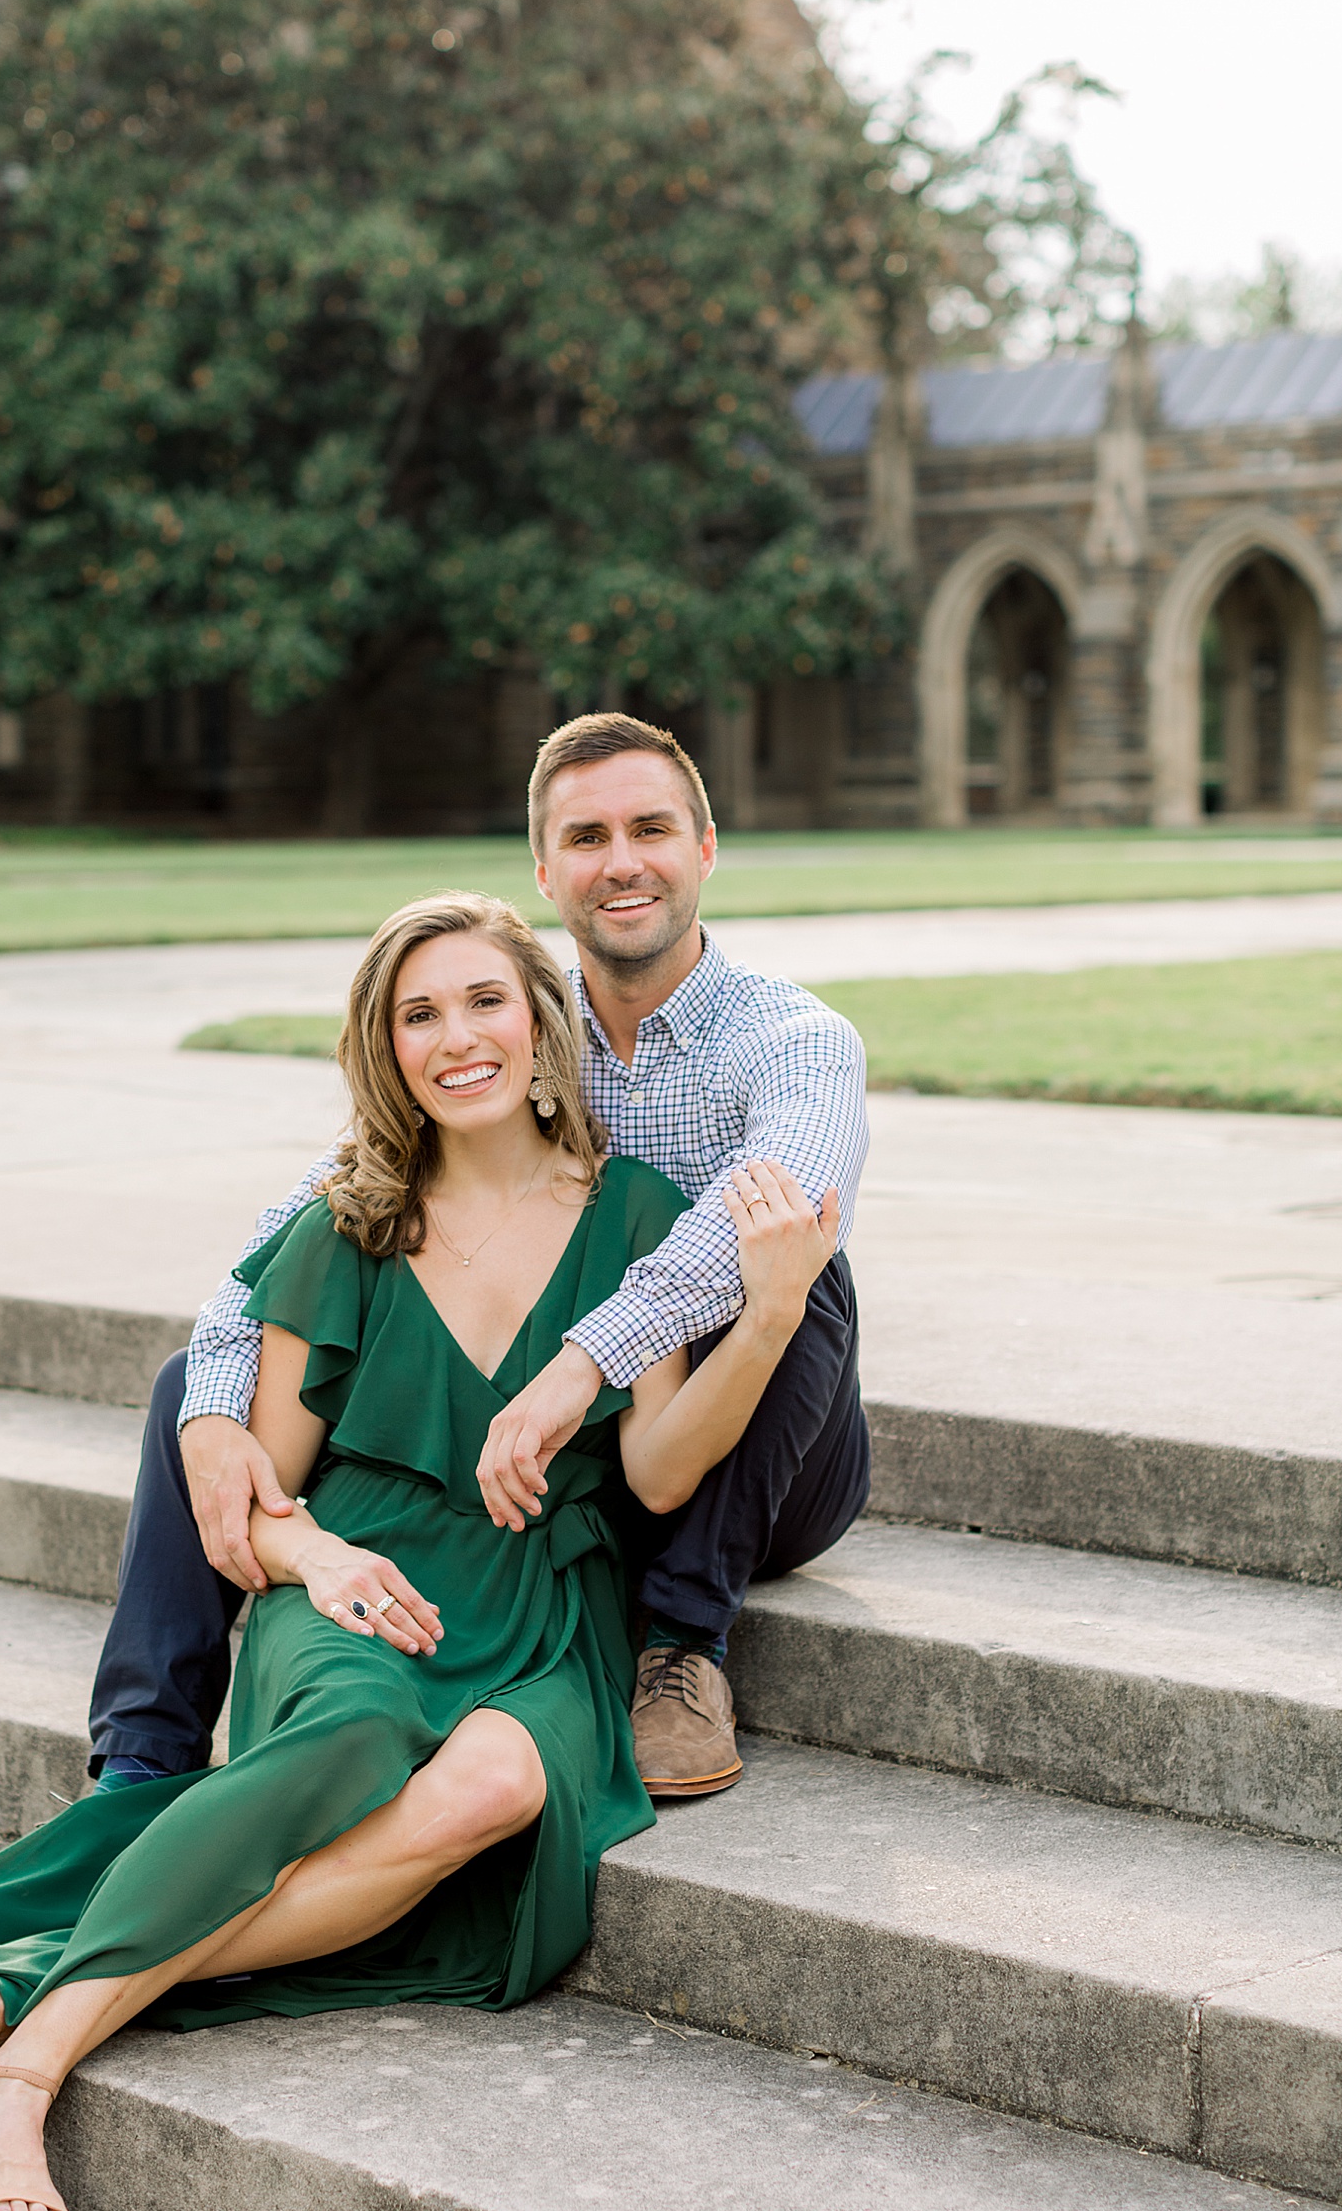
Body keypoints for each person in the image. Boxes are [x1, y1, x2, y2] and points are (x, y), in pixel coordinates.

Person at [0, 892, 840, 2211]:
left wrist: (766, 1314)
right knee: (353, 1733)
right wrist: (322, 1557)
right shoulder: (347, 1226)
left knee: (498, 1782)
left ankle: (19, 1987)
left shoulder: (643, 1214)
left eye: (484, 1000)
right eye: (419, 1014)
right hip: (353, 1583)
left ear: (542, 1024)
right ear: (385, 1050)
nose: (457, 1035)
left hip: (541, 1602)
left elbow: (654, 1473)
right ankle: (13, 2082)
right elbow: (257, 1494)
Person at [92, 712, 871, 1803]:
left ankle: (685, 1645)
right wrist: (216, 1415)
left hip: (750, 1451)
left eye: (651, 828)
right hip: (573, 1456)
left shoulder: (795, 1040)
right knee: (195, 1388)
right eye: (587, 837)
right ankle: (141, 1759)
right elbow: (311, 1213)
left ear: (704, 846)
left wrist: (581, 1363)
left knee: (790, 1262)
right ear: (548, 872)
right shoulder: (514, 1024)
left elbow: (770, 1214)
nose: (623, 861)